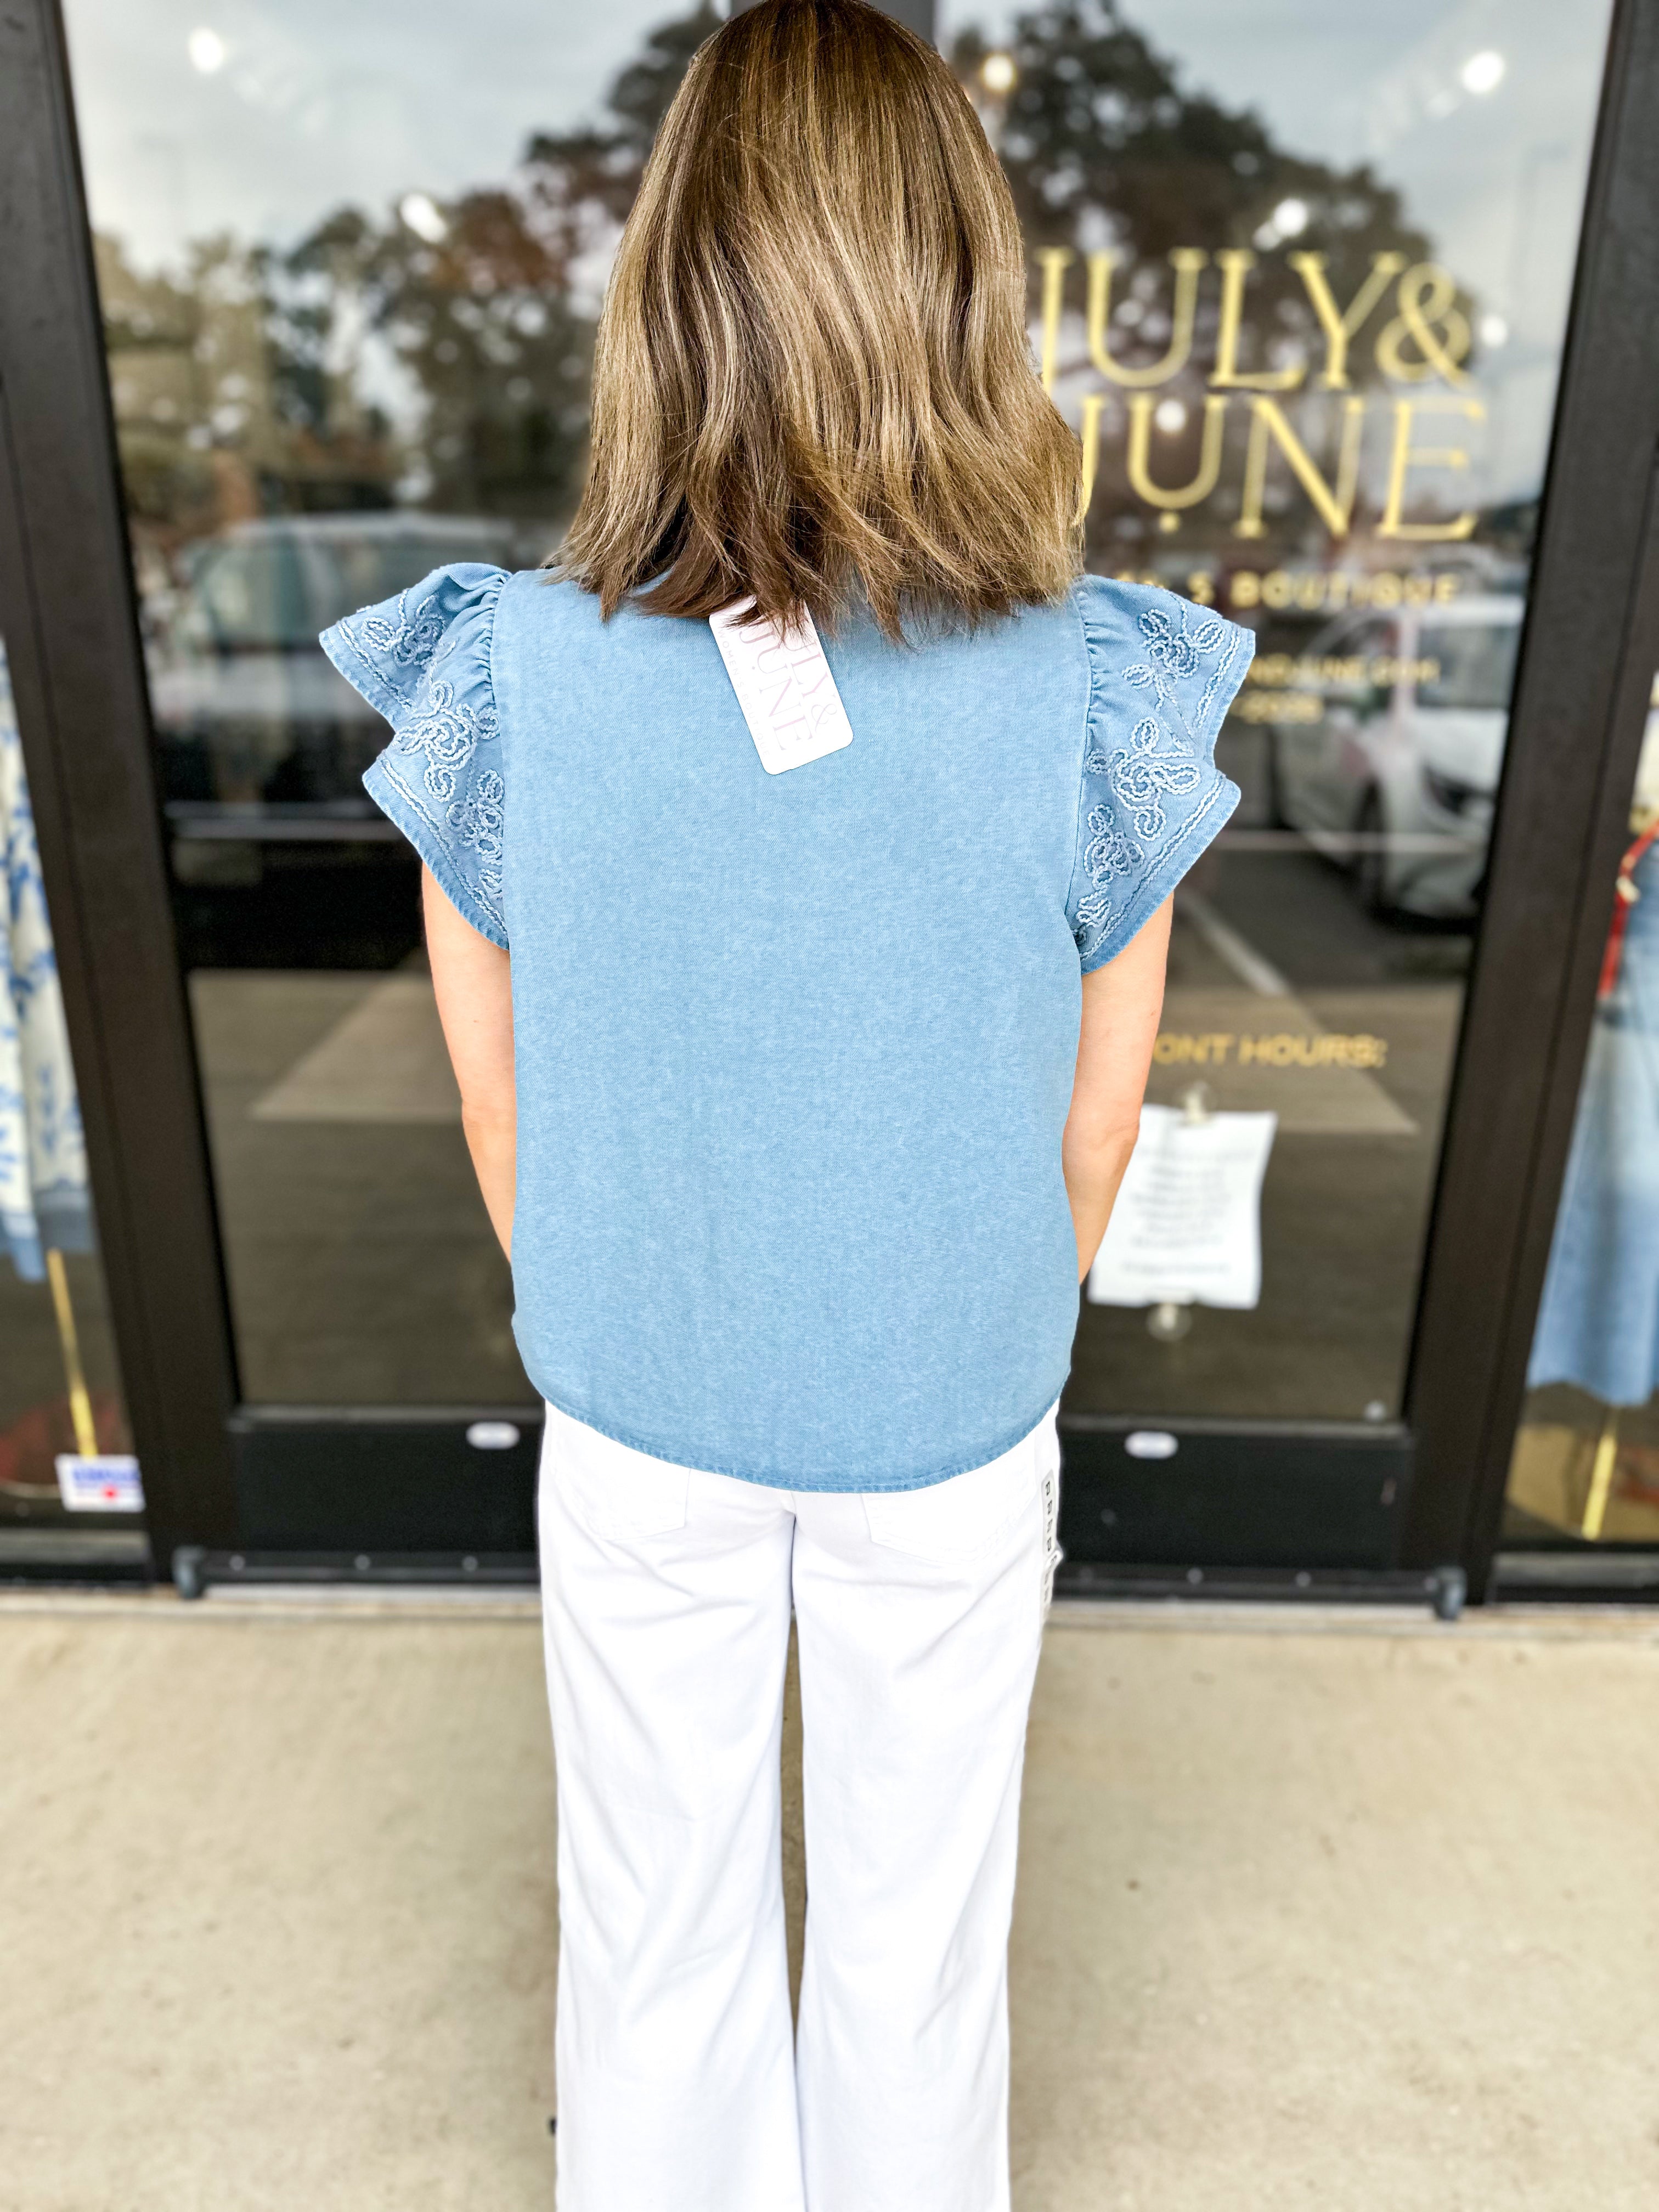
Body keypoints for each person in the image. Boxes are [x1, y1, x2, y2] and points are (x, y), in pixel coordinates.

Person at [320, 2, 1250, 2203]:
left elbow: (501, 1097)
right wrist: (977, 1310)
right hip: (951, 1393)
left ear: (674, 293)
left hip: (642, 1387)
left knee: (651, 1927)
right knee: (923, 1939)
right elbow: (1098, 1124)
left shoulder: (520, 673)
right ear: (959, 291)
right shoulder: (1088, 681)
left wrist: (619, 1291)